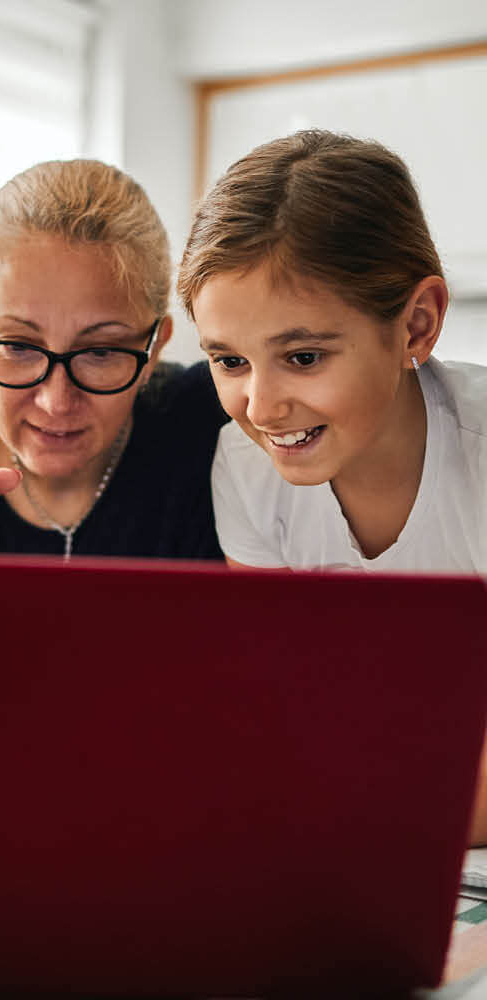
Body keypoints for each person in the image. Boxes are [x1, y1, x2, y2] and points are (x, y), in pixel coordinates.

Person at [180, 129, 487, 847]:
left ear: (416, 325)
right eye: (229, 361)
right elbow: (288, 710)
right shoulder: (247, 466)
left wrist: (344, 804)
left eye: (304, 355)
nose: (261, 406)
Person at [0, 160, 227, 560]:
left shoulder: (213, 426)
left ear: (154, 348)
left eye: (100, 352)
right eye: (18, 346)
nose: (57, 402)